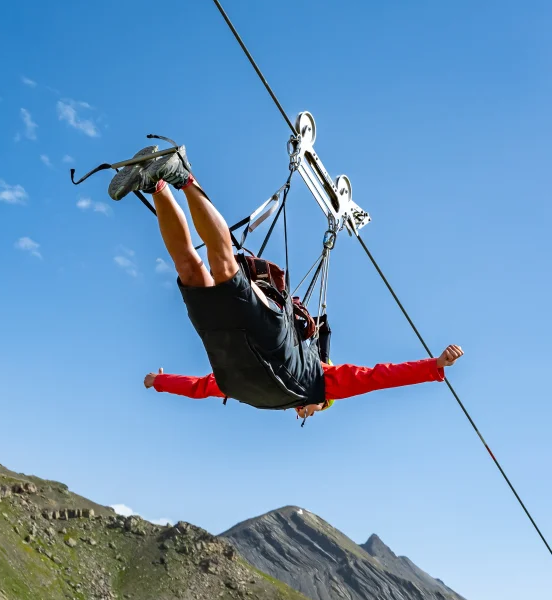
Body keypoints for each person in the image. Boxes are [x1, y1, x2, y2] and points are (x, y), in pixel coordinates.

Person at [109, 142, 463, 419]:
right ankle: (184, 176)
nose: (303, 414)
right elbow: (378, 377)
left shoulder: (254, 394)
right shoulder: (323, 383)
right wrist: (434, 366)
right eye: (312, 413)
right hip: (268, 336)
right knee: (223, 266)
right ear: (322, 403)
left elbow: (201, 387)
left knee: (188, 269)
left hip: (224, 344)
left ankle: (156, 183)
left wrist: (159, 382)